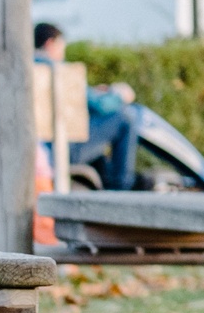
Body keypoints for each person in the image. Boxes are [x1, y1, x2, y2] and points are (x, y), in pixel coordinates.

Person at [35, 23, 141, 192]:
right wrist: (120, 94)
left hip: (38, 149)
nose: (63, 53)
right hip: (63, 148)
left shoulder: (26, 69)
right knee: (125, 118)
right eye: (62, 47)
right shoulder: (59, 71)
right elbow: (101, 105)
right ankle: (122, 187)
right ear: (50, 44)